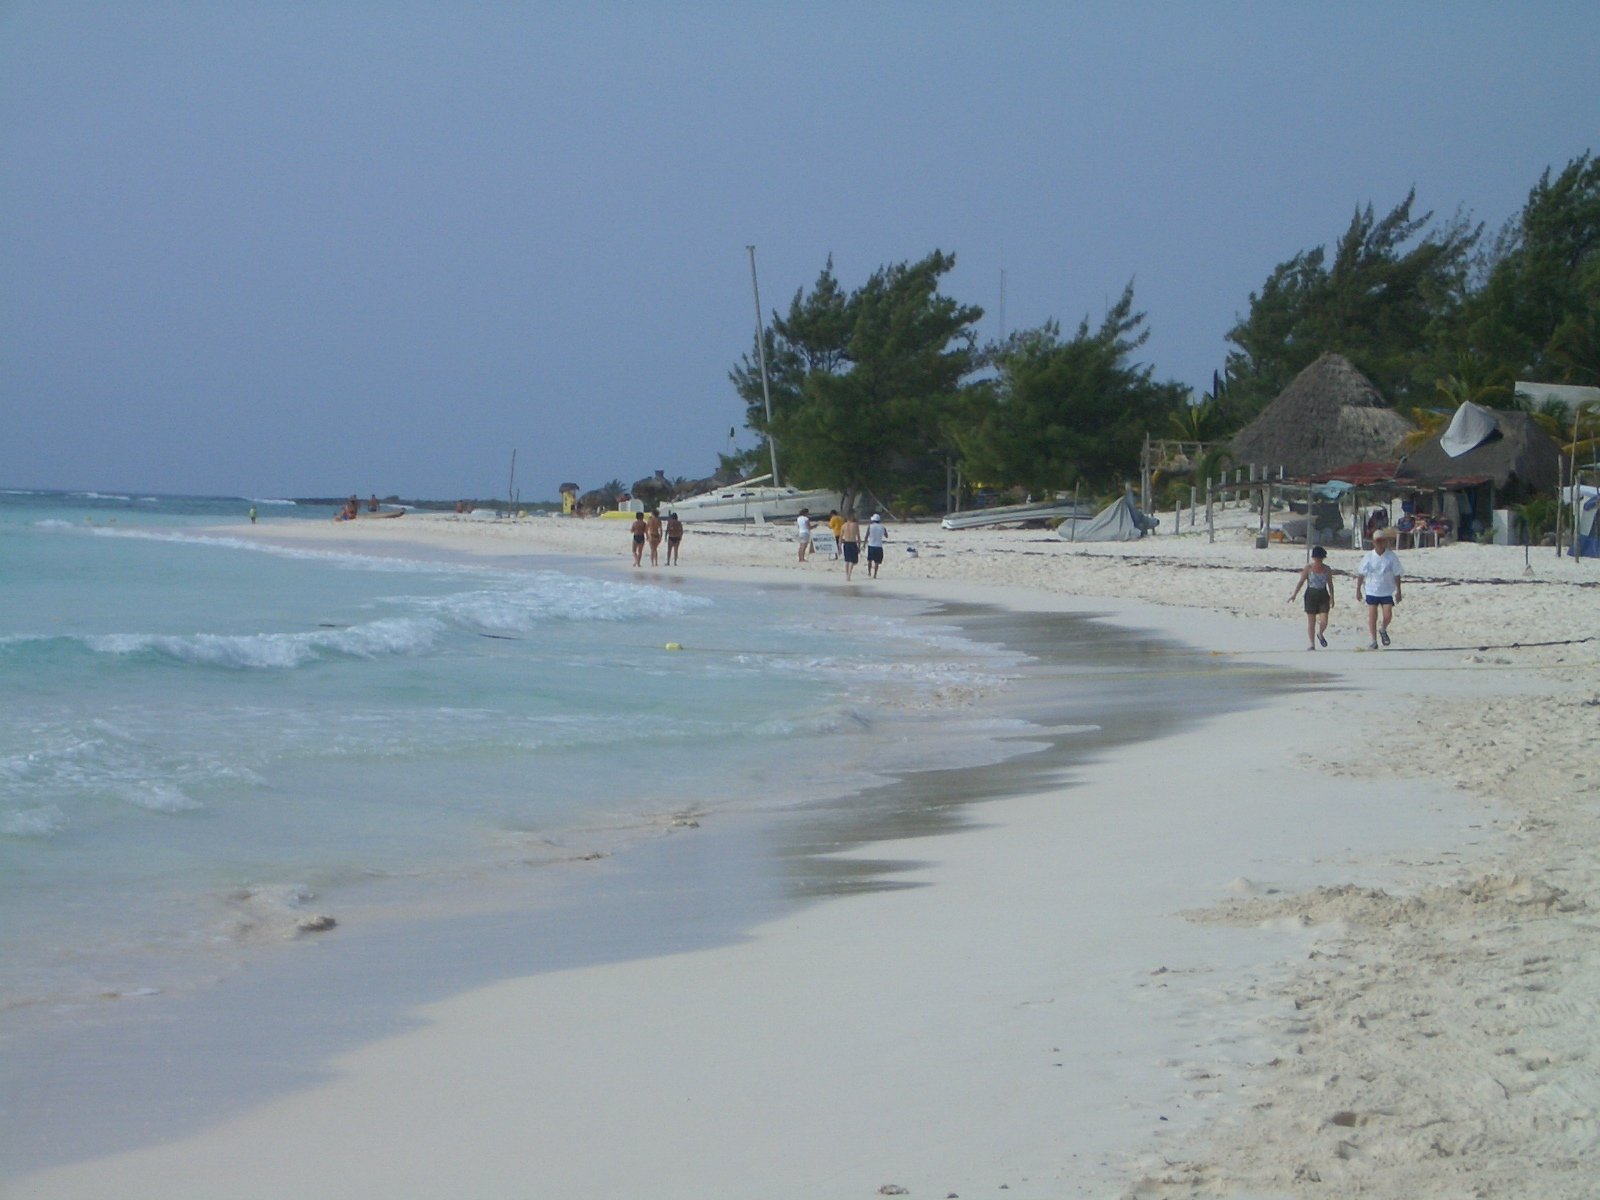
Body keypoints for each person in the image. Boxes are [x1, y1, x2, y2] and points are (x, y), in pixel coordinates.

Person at [1355, 529, 1403, 649]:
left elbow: (1397, 574)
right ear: (1373, 542)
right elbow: (1361, 574)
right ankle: (1373, 640)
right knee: (1372, 615)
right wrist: (1358, 590)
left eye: (1382, 541)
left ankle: (1382, 629)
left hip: (1387, 590)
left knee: (1388, 614)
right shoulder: (1369, 556)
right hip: (1372, 589)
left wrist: (1398, 591)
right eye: (1378, 541)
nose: (1380, 543)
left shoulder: (1391, 556)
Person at [1288, 545, 1335, 650]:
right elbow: (1301, 582)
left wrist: (1332, 597)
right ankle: (1312, 644)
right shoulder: (1308, 568)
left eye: (1321, 558)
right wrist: (1294, 594)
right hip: (1311, 594)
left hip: (1323, 594)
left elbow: (1330, 584)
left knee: (1324, 619)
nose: (1319, 560)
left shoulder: (1327, 569)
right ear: (1313, 558)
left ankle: (1320, 633)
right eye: (1317, 558)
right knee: (1311, 621)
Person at [839, 511, 861, 581]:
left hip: (846, 543)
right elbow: (858, 536)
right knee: (852, 560)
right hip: (853, 543)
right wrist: (859, 546)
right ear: (851, 517)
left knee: (847, 560)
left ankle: (847, 575)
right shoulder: (855, 525)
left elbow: (840, 537)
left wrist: (839, 547)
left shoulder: (843, 525)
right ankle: (849, 575)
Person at [864, 513, 887, 578]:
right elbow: (886, 536)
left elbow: (866, 536)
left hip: (871, 545)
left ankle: (869, 572)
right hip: (879, 546)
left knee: (869, 560)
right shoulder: (882, 527)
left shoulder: (870, 526)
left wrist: (864, 544)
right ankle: (875, 574)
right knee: (877, 561)